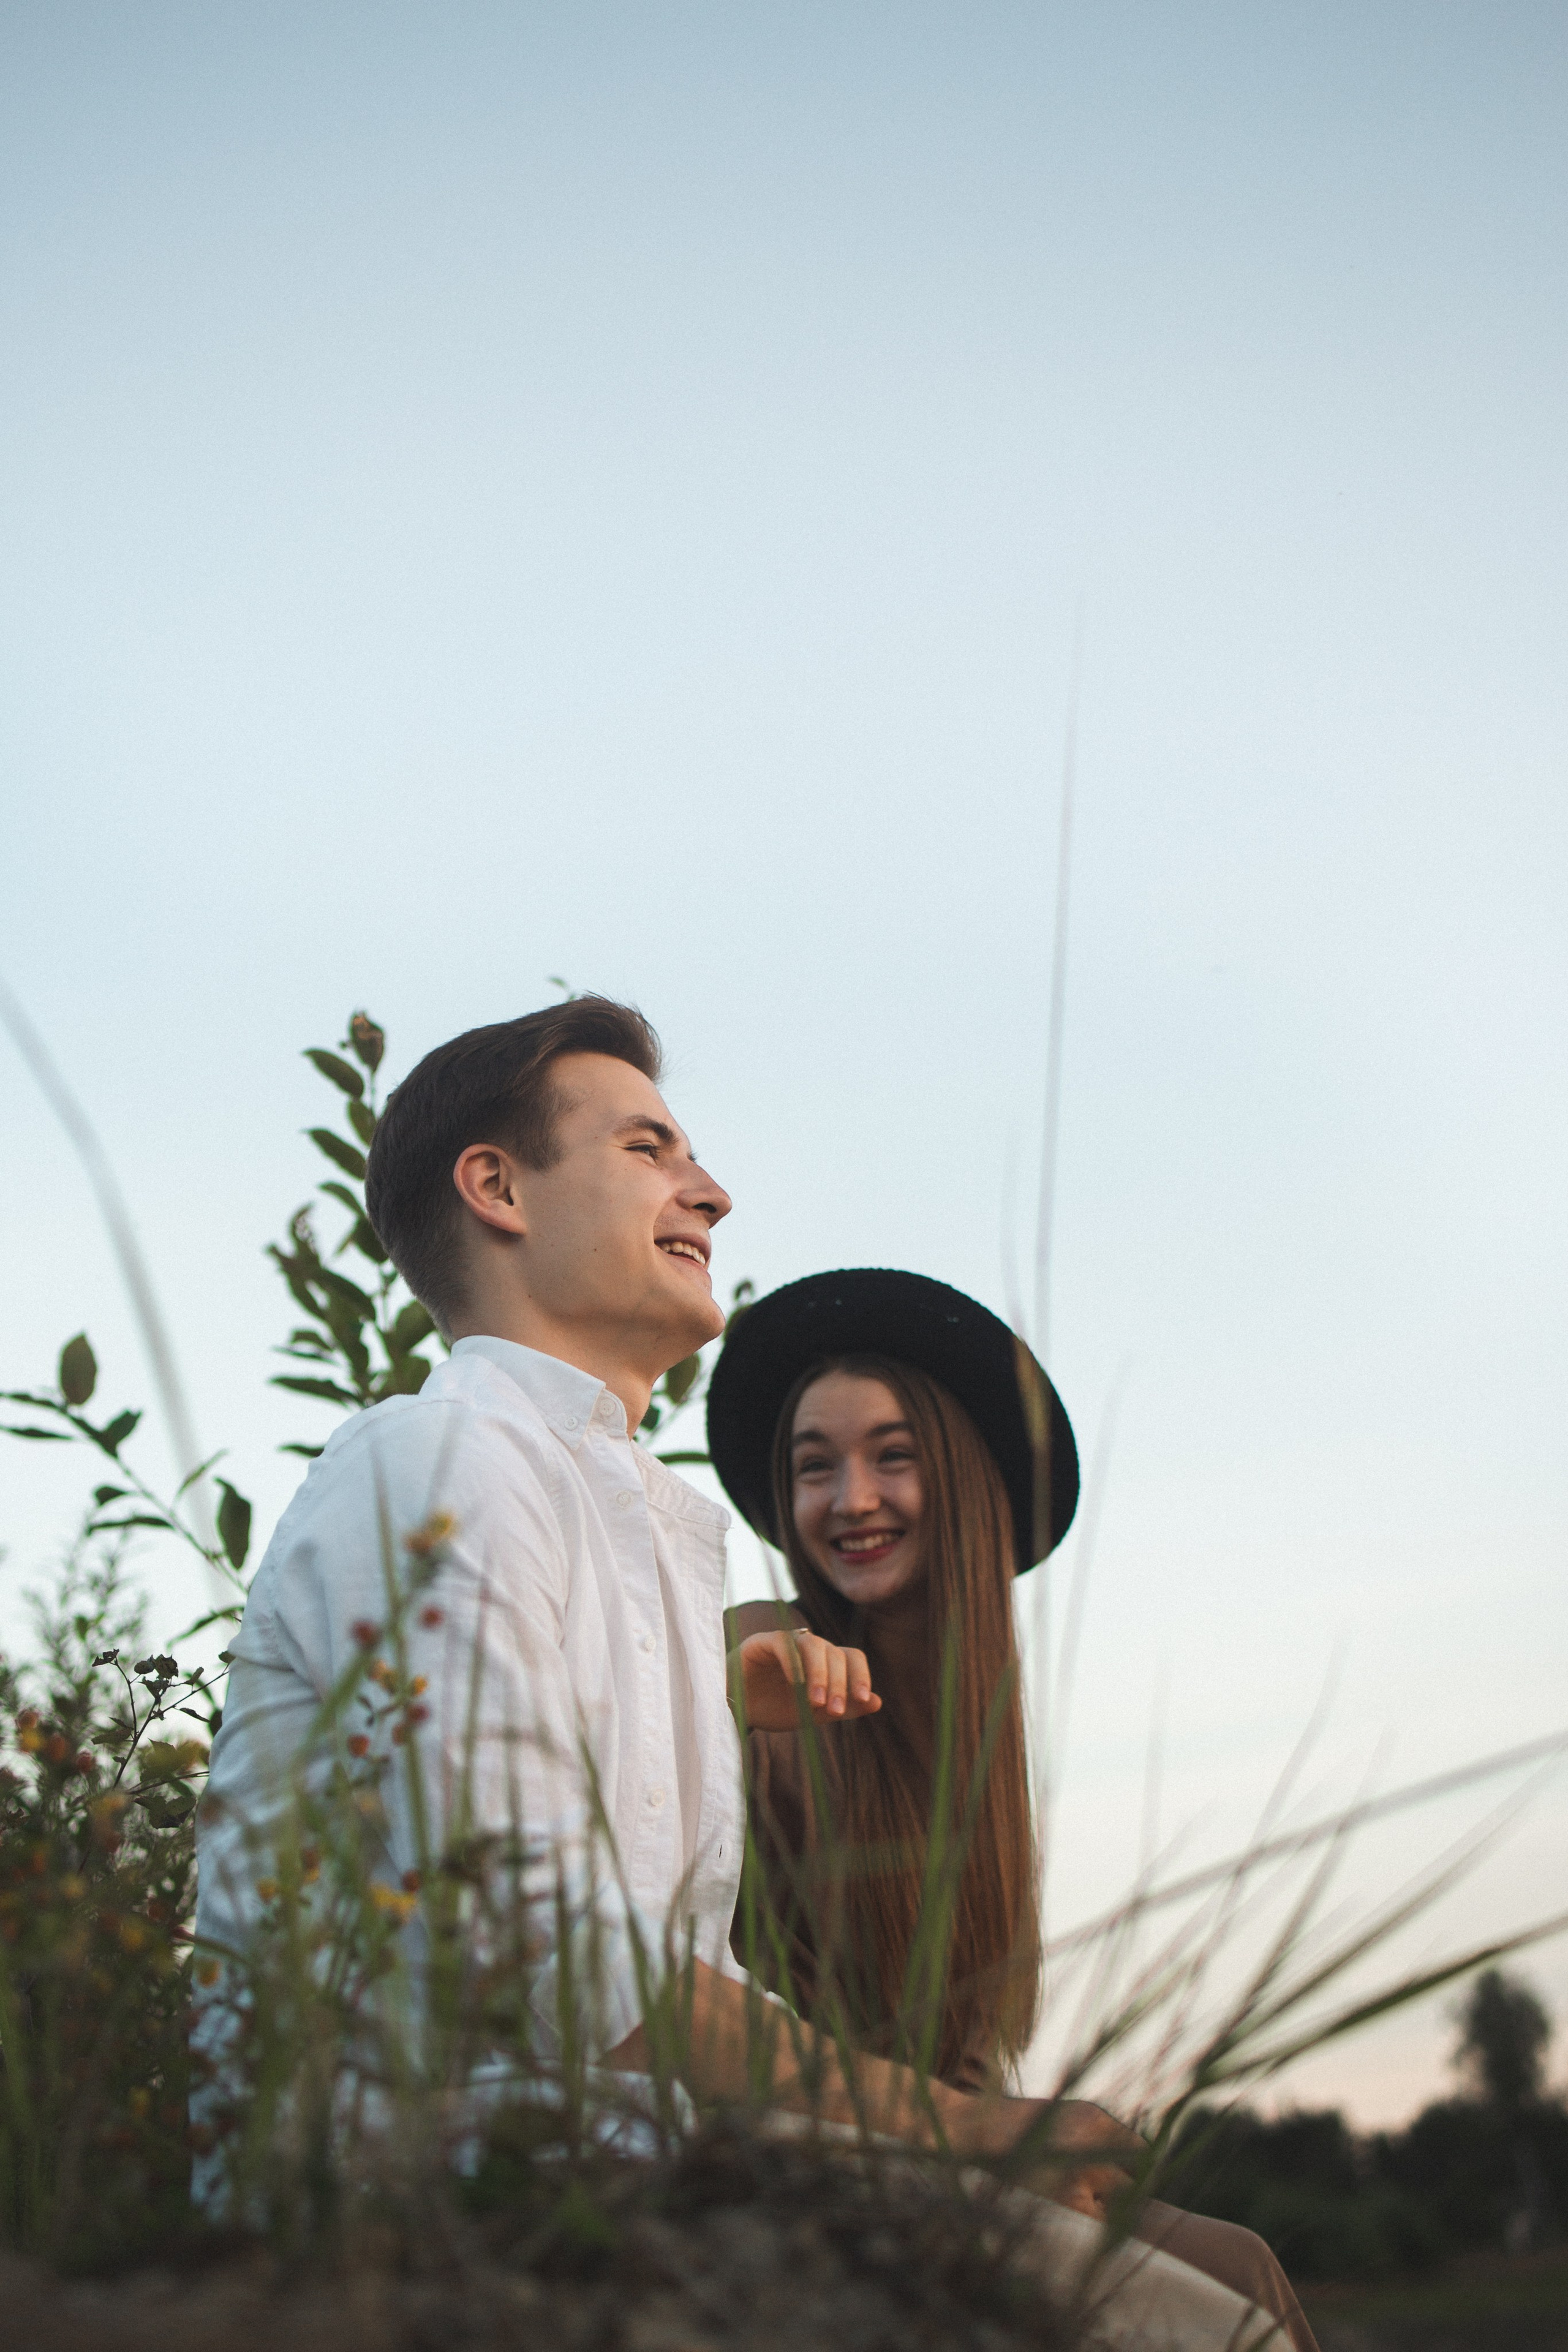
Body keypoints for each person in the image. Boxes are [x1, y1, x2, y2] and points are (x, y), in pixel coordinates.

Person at [194, 1003, 1150, 2201]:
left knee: (1211, 2274)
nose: (710, 1193)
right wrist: (956, 2132)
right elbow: (546, 1954)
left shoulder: (650, 1533)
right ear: (498, 1188)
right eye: (648, 1150)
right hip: (432, 2190)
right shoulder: (437, 1461)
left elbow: (675, 1980)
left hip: (639, 2162)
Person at [707, 1267, 1319, 2352]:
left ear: (961, 1478)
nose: (852, 1498)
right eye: (816, 1467)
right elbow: (727, 1663)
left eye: (893, 1456)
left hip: (931, 2134)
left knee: (1240, 2260)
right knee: (1228, 2295)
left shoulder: (972, 1735)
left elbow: (951, 2053)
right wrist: (759, 1667)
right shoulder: (777, 1654)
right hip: (794, 2131)